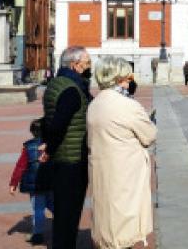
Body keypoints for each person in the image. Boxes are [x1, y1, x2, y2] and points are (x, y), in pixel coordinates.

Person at [87, 57, 157, 249]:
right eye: (128, 76)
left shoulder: (95, 104)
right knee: (123, 224)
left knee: (107, 220)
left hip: (103, 172)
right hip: (125, 174)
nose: (130, 80)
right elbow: (149, 135)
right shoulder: (128, 105)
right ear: (118, 78)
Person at [41, 46, 94, 249]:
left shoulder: (56, 83)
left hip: (63, 158)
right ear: (75, 65)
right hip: (71, 160)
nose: (89, 67)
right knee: (68, 214)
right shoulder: (72, 89)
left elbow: (49, 120)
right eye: (86, 63)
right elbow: (58, 124)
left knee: (64, 212)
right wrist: (50, 148)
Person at [9, 118, 54, 245]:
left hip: (35, 184)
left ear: (32, 132)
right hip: (50, 182)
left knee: (38, 209)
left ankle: (38, 234)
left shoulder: (28, 146)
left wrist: (13, 183)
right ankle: (65, 221)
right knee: (52, 203)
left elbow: (20, 166)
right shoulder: (52, 144)